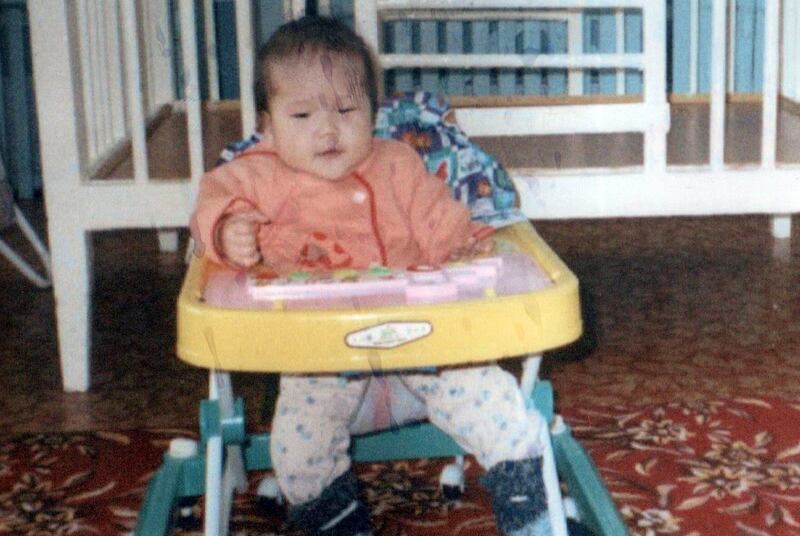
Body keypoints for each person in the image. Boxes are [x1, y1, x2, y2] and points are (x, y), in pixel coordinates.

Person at [191, 16, 552, 536]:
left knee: (485, 391)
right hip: (320, 351)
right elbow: (211, 203)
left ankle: (530, 503)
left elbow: (436, 215)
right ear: (268, 124)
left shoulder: (397, 163)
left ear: (373, 111)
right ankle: (333, 516)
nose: (327, 130)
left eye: (346, 110)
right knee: (300, 439)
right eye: (302, 114)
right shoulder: (256, 174)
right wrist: (227, 231)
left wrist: (455, 243)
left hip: (422, 337)